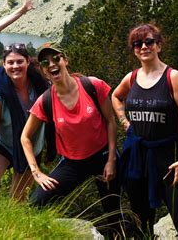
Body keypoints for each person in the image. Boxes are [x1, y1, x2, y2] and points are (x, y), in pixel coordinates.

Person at [20, 42, 121, 236]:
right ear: (43, 71)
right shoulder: (46, 100)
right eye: (45, 62)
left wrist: (111, 160)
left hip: (102, 157)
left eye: (56, 58)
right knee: (36, 203)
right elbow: (25, 137)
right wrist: (36, 172)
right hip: (72, 163)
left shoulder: (92, 85)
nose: (51, 64)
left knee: (113, 212)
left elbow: (110, 121)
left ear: (65, 60)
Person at [111, 24, 178, 239]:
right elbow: (116, 96)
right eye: (137, 43)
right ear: (134, 50)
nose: (143, 46)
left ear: (159, 46)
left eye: (149, 42)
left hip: (170, 156)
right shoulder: (131, 78)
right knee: (141, 218)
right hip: (138, 156)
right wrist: (125, 121)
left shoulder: (173, 77)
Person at [0, 43, 49, 200]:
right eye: (10, 62)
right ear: (3, 64)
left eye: (20, 61)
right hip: (4, 144)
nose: (15, 66)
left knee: (18, 200)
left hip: (31, 147)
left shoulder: (40, 85)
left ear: (28, 61)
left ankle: (11, 225)